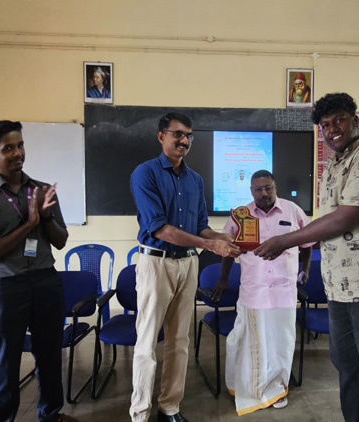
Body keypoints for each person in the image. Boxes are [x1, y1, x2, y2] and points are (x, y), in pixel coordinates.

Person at [254, 92, 359, 422]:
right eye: (325, 124)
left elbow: (346, 217)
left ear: (355, 120)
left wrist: (285, 241)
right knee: (348, 368)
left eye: (339, 120)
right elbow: (327, 223)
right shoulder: (332, 166)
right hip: (339, 286)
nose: (332, 129)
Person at [129, 112, 241, 422]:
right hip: (156, 263)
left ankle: (169, 407)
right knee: (147, 342)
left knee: (179, 341)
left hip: (188, 264)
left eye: (189, 135)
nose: (184, 140)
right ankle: (140, 413)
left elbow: (201, 226)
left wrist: (221, 238)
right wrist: (210, 245)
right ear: (161, 136)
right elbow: (160, 229)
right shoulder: (145, 173)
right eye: (177, 134)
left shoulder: (195, 179)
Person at [0, 121, 76, 422]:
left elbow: (61, 241)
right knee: (5, 361)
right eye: (8, 148)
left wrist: (46, 217)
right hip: (6, 286)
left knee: (50, 355)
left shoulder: (42, 191)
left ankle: (50, 414)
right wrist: (28, 224)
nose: (17, 153)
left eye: (20, 145)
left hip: (46, 282)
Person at [210, 169, 312, 415]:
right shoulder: (240, 216)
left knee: (281, 342)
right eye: (258, 189)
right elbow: (227, 248)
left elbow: (307, 243)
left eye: (268, 188)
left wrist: (305, 269)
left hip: (284, 291)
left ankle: (277, 388)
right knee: (245, 341)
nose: (264, 193)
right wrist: (223, 280)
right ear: (251, 191)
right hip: (253, 291)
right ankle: (245, 385)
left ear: (275, 188)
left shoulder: (293, 210)